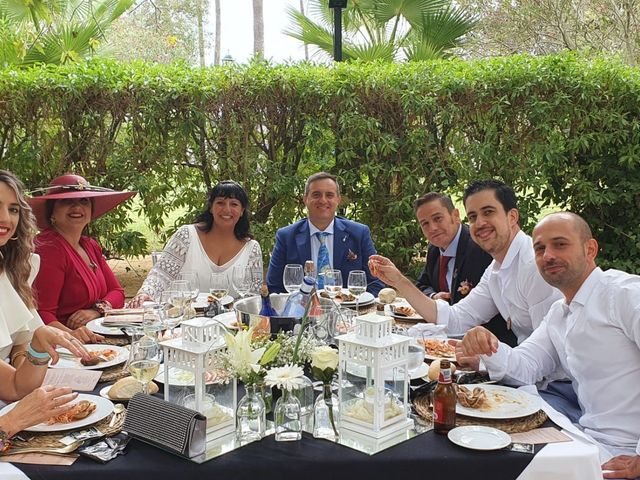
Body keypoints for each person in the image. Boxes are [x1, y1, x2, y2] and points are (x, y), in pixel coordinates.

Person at [458, 212, 640, 479]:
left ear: (590, 249)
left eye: (560, 244)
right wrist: (490, 346)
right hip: (584, 436)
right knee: (476, 450)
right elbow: (527, 365)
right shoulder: (559, 312)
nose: (548, 255)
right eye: (540, 248)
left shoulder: (624, 294)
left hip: (621, 454)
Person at [0, 170, 89, 445]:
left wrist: (37, 347)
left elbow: (16, 387)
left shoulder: (8, 273)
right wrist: (12, 422)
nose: (6, 219)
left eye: (13, 209)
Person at [29, 174, 134, 343]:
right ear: (51, 212)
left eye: (84, 200)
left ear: (91, 211)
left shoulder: (90, 245)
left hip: (96, 337)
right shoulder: (48, 248)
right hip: (61, 346)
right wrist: (72, 337)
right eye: (66, 201)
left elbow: (118, 293)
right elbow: (41, 313)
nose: (76, 207)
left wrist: (97, 310)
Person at [130, 180, 262, 306]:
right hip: (181, 320)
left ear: (242, 211)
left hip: (230, 324)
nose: (227, 210)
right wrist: (145, 294)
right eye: (220, 203)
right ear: (211, 207)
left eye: (234, 204)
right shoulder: (186, 236)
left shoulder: (251, 248)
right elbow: (160, 275)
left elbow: (252, 297)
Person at [413, 192, 516, 346]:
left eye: (437, 219)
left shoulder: (481, 247)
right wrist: (434, 296)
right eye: (425, 223)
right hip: (448, 335)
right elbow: (422, 285)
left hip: (491, 342)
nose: (432, 228)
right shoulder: (435, 250)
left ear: (455, 215)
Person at [267, 172, 384, 295]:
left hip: (349, 310)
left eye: (329, 195)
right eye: (316, 195)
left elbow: (375, 282)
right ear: (305, 199)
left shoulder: (359, 234)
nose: (323, 200)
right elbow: (274, 286)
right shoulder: (286, 236)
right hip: (301, 311)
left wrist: (357, 308)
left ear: (338, 199)